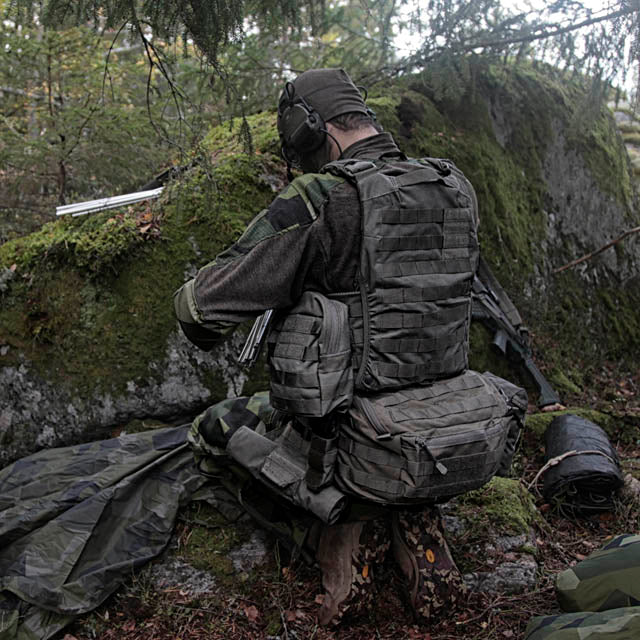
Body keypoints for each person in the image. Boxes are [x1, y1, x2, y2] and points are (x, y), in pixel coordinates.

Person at [173, 68, 523, 626]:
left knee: (213, 427)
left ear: (310, 128)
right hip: (447, 427)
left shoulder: (322, 197)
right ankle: (410, 516)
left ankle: (333, 531)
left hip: (347, 436)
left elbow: (199, 311)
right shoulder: (455, 186)